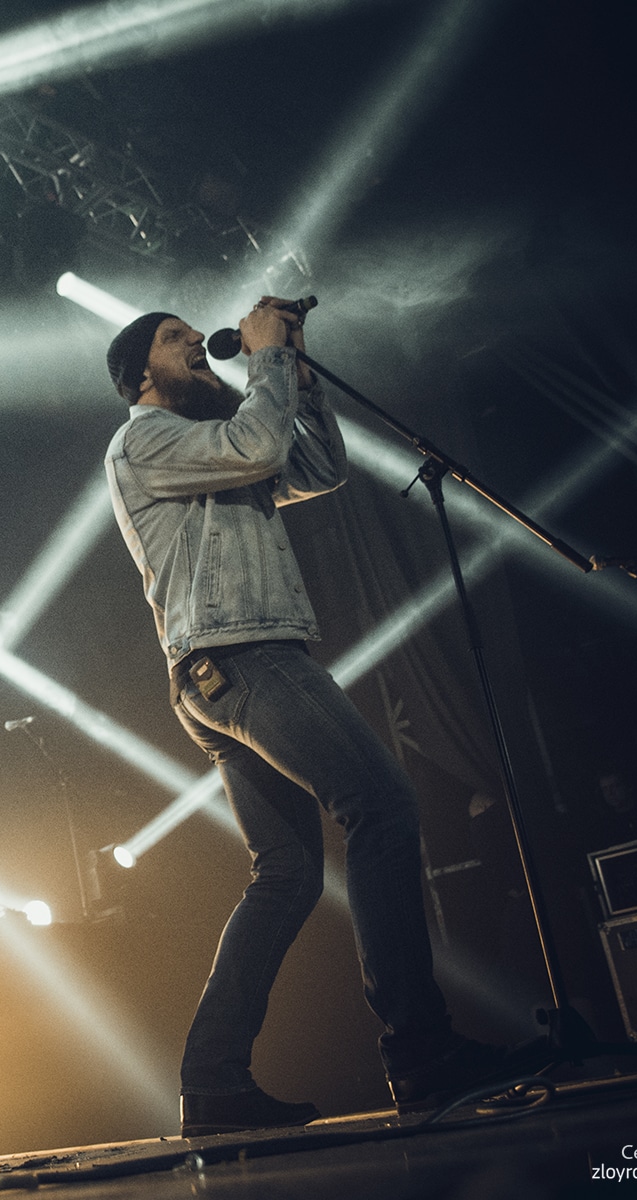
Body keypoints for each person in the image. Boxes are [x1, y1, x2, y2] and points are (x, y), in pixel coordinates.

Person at [102, 301, 520, 1136]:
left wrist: (296, 369)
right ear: (141, 374)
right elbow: (258, 446)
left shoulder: (212, 441)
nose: (198, 341)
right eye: (176, 338)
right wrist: (264, 361)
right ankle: (420, 1049)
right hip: (244, 655)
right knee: (382, 806)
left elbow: (317, 468)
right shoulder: (143, 441)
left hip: (222, 669)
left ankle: (213, 1081)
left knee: (288, 873)